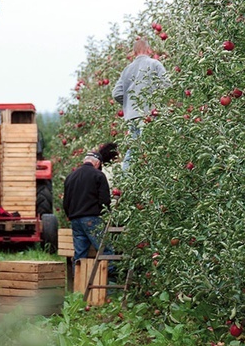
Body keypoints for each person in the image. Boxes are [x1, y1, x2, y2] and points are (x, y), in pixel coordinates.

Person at [111, 37, 168, 169]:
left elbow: (116, 93)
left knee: (134, 148)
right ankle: (152, 177)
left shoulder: (127, 69)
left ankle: (126, 179)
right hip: (150, 115)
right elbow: (167, 85)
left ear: (134, 53)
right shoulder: (155, 64)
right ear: (148, 49)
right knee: (151, 147)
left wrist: (129, 104)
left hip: (131, 116)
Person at [62, 151, 114, 266]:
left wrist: (71, 216)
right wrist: (106, 216)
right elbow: (104, 200)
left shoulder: (70, 177)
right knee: (106, 252)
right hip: (92, 218)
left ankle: (78, 282)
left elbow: (65, 202)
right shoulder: (98, 175)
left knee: (80, 255)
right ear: (97, 163)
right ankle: (110, 280)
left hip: (75, 220)